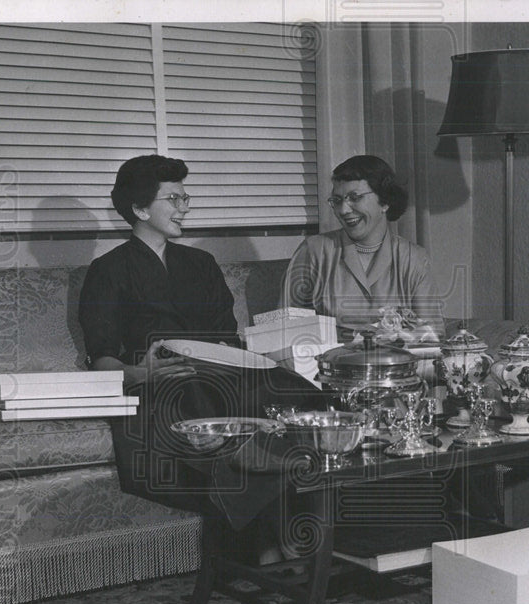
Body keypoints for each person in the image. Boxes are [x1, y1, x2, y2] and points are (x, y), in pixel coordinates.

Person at [79, 154, 317, 516]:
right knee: (189, 389)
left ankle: (312, 459)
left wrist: (245, 357)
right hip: (157, 383)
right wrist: (143, 373)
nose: (183, 208)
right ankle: (251, 462)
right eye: (173, 199)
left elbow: (227, 335)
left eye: (185, 199)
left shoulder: (201, 264)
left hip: (219, 369)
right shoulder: (107, 271)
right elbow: (102, 357)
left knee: (286, 382)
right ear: (141, 210)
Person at [280, 154, 444, 339]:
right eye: (337, 200)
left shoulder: (414, 259)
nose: (343, 210)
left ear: (384, 201)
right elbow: (286, 329)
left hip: (394, 365)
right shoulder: (314, 251)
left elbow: (431, 338)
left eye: (354, 197)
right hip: (326, 365)